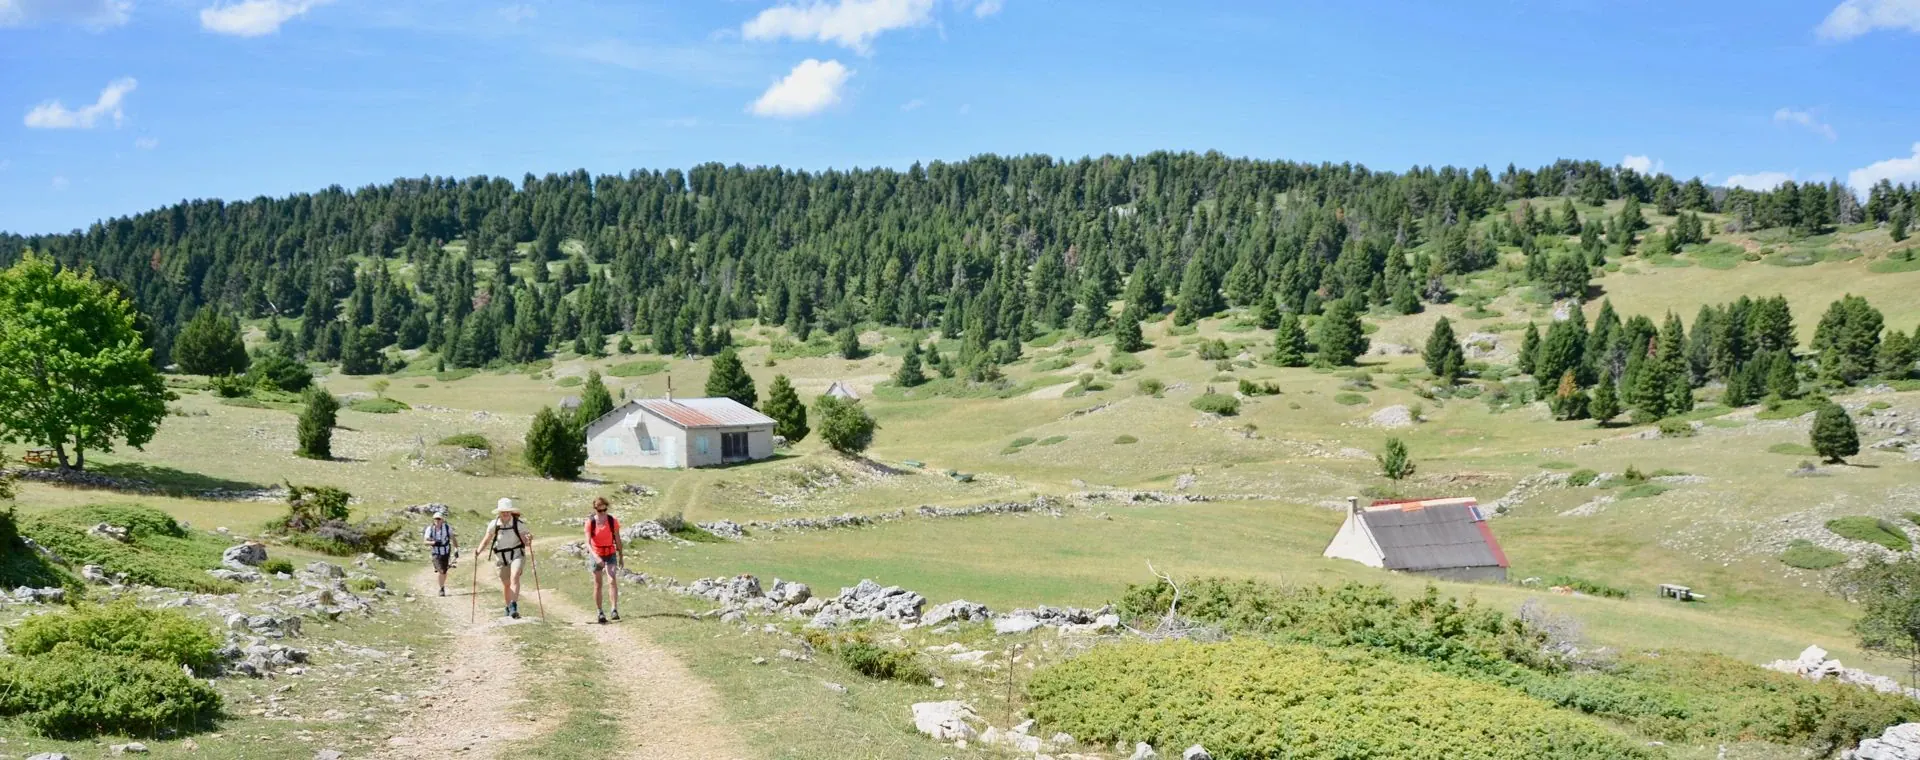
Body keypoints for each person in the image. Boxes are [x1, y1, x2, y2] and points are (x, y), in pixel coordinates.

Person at [477, 498, 531, 619]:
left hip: (517, 554)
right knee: (506, 584)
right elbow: (486, 539)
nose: (505, 514)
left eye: (507, 511)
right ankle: (508, 607)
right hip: (501, 557)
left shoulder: (518, 524)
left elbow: (526, 542)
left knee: (515, 577)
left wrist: (529, 540)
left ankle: (513, 606)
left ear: (511, 512)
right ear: (499, 512)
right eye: (503, 512)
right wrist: (478, 551)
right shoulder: (494, 524)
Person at [584, 497, 623, 624]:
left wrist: (621, 556)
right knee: (598, 584)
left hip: (610, 553)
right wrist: (596, 557)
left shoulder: (612, 521)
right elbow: (587, 543)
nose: (602, 512)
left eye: (604, 509)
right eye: (600, 510)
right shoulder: (590, 522)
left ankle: (614, 610)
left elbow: (617, 539)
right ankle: (600, 611)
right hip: (596, 553)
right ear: (595, 509)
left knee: (612, 580)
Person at [423, 509, 458, 596]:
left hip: (446, 552)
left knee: (444, 571)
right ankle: (441, 589)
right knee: (442, 571)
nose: (437, 521)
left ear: (442, 520)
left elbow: (453, 538)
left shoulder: (447, 528)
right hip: (436, 553)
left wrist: (456, 549)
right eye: (435, 519)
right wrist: (434, 543)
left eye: (439, 519)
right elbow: (425, 542)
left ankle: (442, 586)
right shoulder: (430, 529)